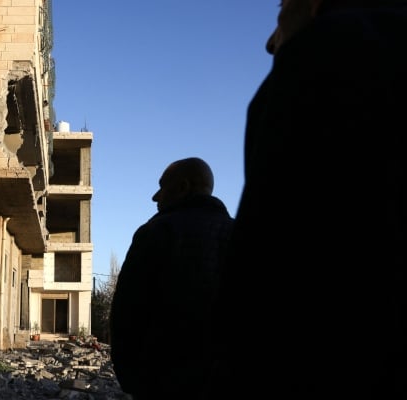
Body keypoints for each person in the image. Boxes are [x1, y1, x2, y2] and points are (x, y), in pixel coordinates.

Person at [211, 1, 407, 398]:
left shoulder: (327, 59)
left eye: (281, 11)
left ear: (315, 5)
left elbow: (275, 269)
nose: (269, 43)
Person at [109, 157, 234, 400]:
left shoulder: (158, 232)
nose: (156, 197)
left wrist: (131, 378)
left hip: (162, 381)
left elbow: (127, 313)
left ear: (183, 188)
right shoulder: (237, 232)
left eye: (162, 187)